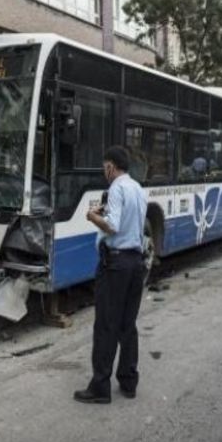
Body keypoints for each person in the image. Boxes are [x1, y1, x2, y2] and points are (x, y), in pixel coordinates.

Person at [74, 146, 148, 404]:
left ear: (111, 167)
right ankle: (128, 382)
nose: (104, 172)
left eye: (105, 167)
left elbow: (113, 226)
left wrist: (93, 216)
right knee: (128, 325)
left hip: (115, 265)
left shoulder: (116, 188)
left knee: (106, 325)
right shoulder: (138, 189)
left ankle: (100, 387)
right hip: (135, 263)